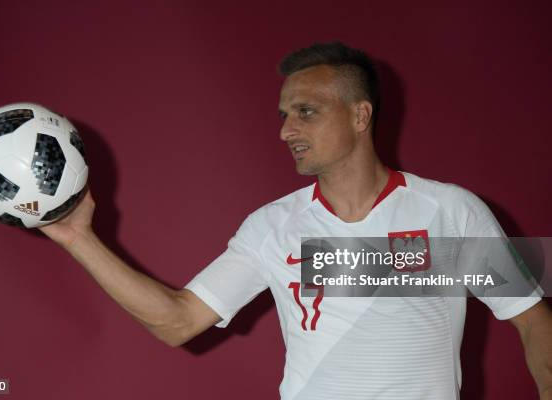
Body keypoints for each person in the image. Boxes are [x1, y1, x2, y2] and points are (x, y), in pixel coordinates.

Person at [40, 42, 552, 399]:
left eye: (306, 112)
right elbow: (178, 322)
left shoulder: (451, 211)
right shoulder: (272, 227)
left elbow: (532, 321)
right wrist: (77, 237)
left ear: (360, 115)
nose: (286, 130)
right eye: (283, 115)